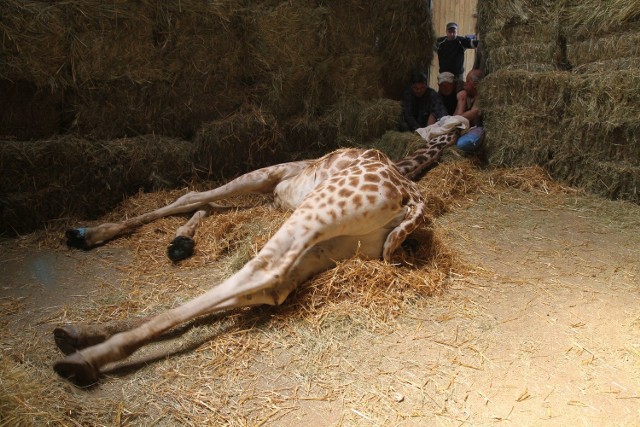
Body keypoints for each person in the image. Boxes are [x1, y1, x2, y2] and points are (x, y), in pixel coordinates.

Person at [435, 22, 479, 92]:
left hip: (458, 76)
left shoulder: (461, 41)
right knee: (443, 95)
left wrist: (482, 42)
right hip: (444, 75)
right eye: (450, 32)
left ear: (457, 32)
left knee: (459, 94)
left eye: (454, 32)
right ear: (446, 31)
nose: (452, 34)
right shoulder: (440, 42)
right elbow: (428, 45)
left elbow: (474, 44)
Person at [454, 69, 485, 153]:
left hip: (476, 130)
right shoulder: (465, 96)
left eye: (467, 81)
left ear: (475, 84)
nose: (465, 83)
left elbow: (472, 113)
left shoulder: (481, 98)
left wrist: (462, 100)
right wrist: (462, 101)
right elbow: (455, 118)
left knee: (462, 143)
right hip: (464, 129)